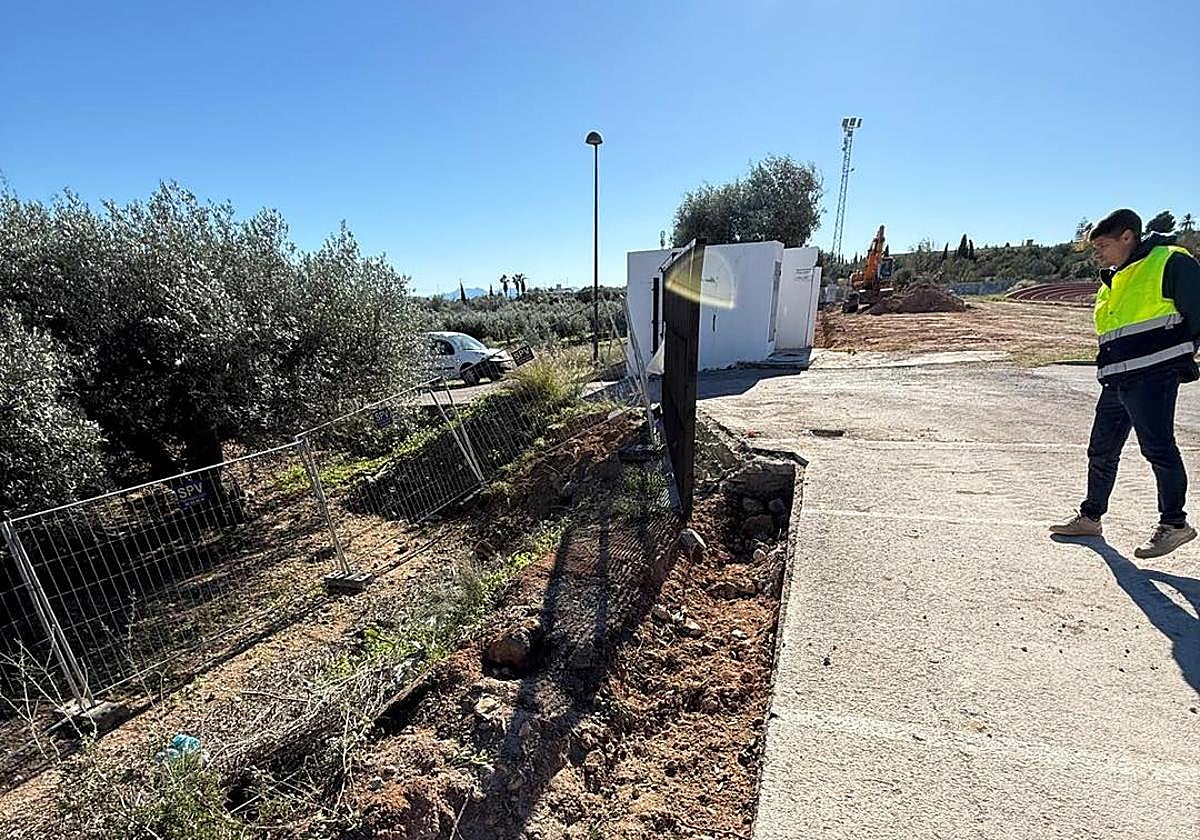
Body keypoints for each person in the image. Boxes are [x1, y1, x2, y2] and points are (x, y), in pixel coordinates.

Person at [1050, 208, 1200, 558]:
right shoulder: (1116, 277)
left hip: (1153, 373)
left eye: (1102, 245)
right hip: (1118, 379)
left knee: (1158, 448)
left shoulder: (1169, 261)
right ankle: (1091, 517)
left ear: (1128, 237)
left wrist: (1179, 355)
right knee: (1101, 450)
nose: (1098, 254)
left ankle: (1174, 524)